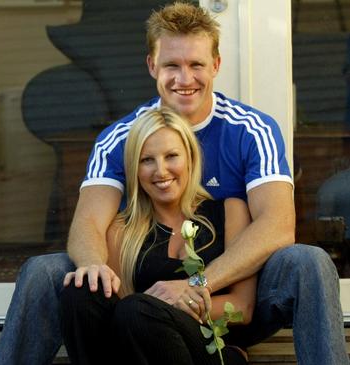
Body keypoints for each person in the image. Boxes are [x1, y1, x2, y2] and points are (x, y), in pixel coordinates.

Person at [0, 3, 346, 365]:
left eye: (196, 65)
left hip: (231, 308)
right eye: (172, 65)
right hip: (142, 312)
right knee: (45, 272)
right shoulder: (120, 138)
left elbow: (277, 226)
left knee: (308, 262)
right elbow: (89, 224)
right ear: (152, 67)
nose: (184, 78)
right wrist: (95, 267)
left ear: (216, 66)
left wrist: (197, 286)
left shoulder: (252, 130)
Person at [61, 107, 254, 364]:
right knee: (82, 291)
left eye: (171, 156)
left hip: (209, 348)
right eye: (147, 160)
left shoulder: (230, 211)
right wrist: (151, 309)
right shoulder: (122, 230)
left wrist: (175, 306)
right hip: (143, 346)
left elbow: (243, 307)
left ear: (191, 158)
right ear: (135, 169)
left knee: (139, 310)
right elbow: (121, 314)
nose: (160, 171)